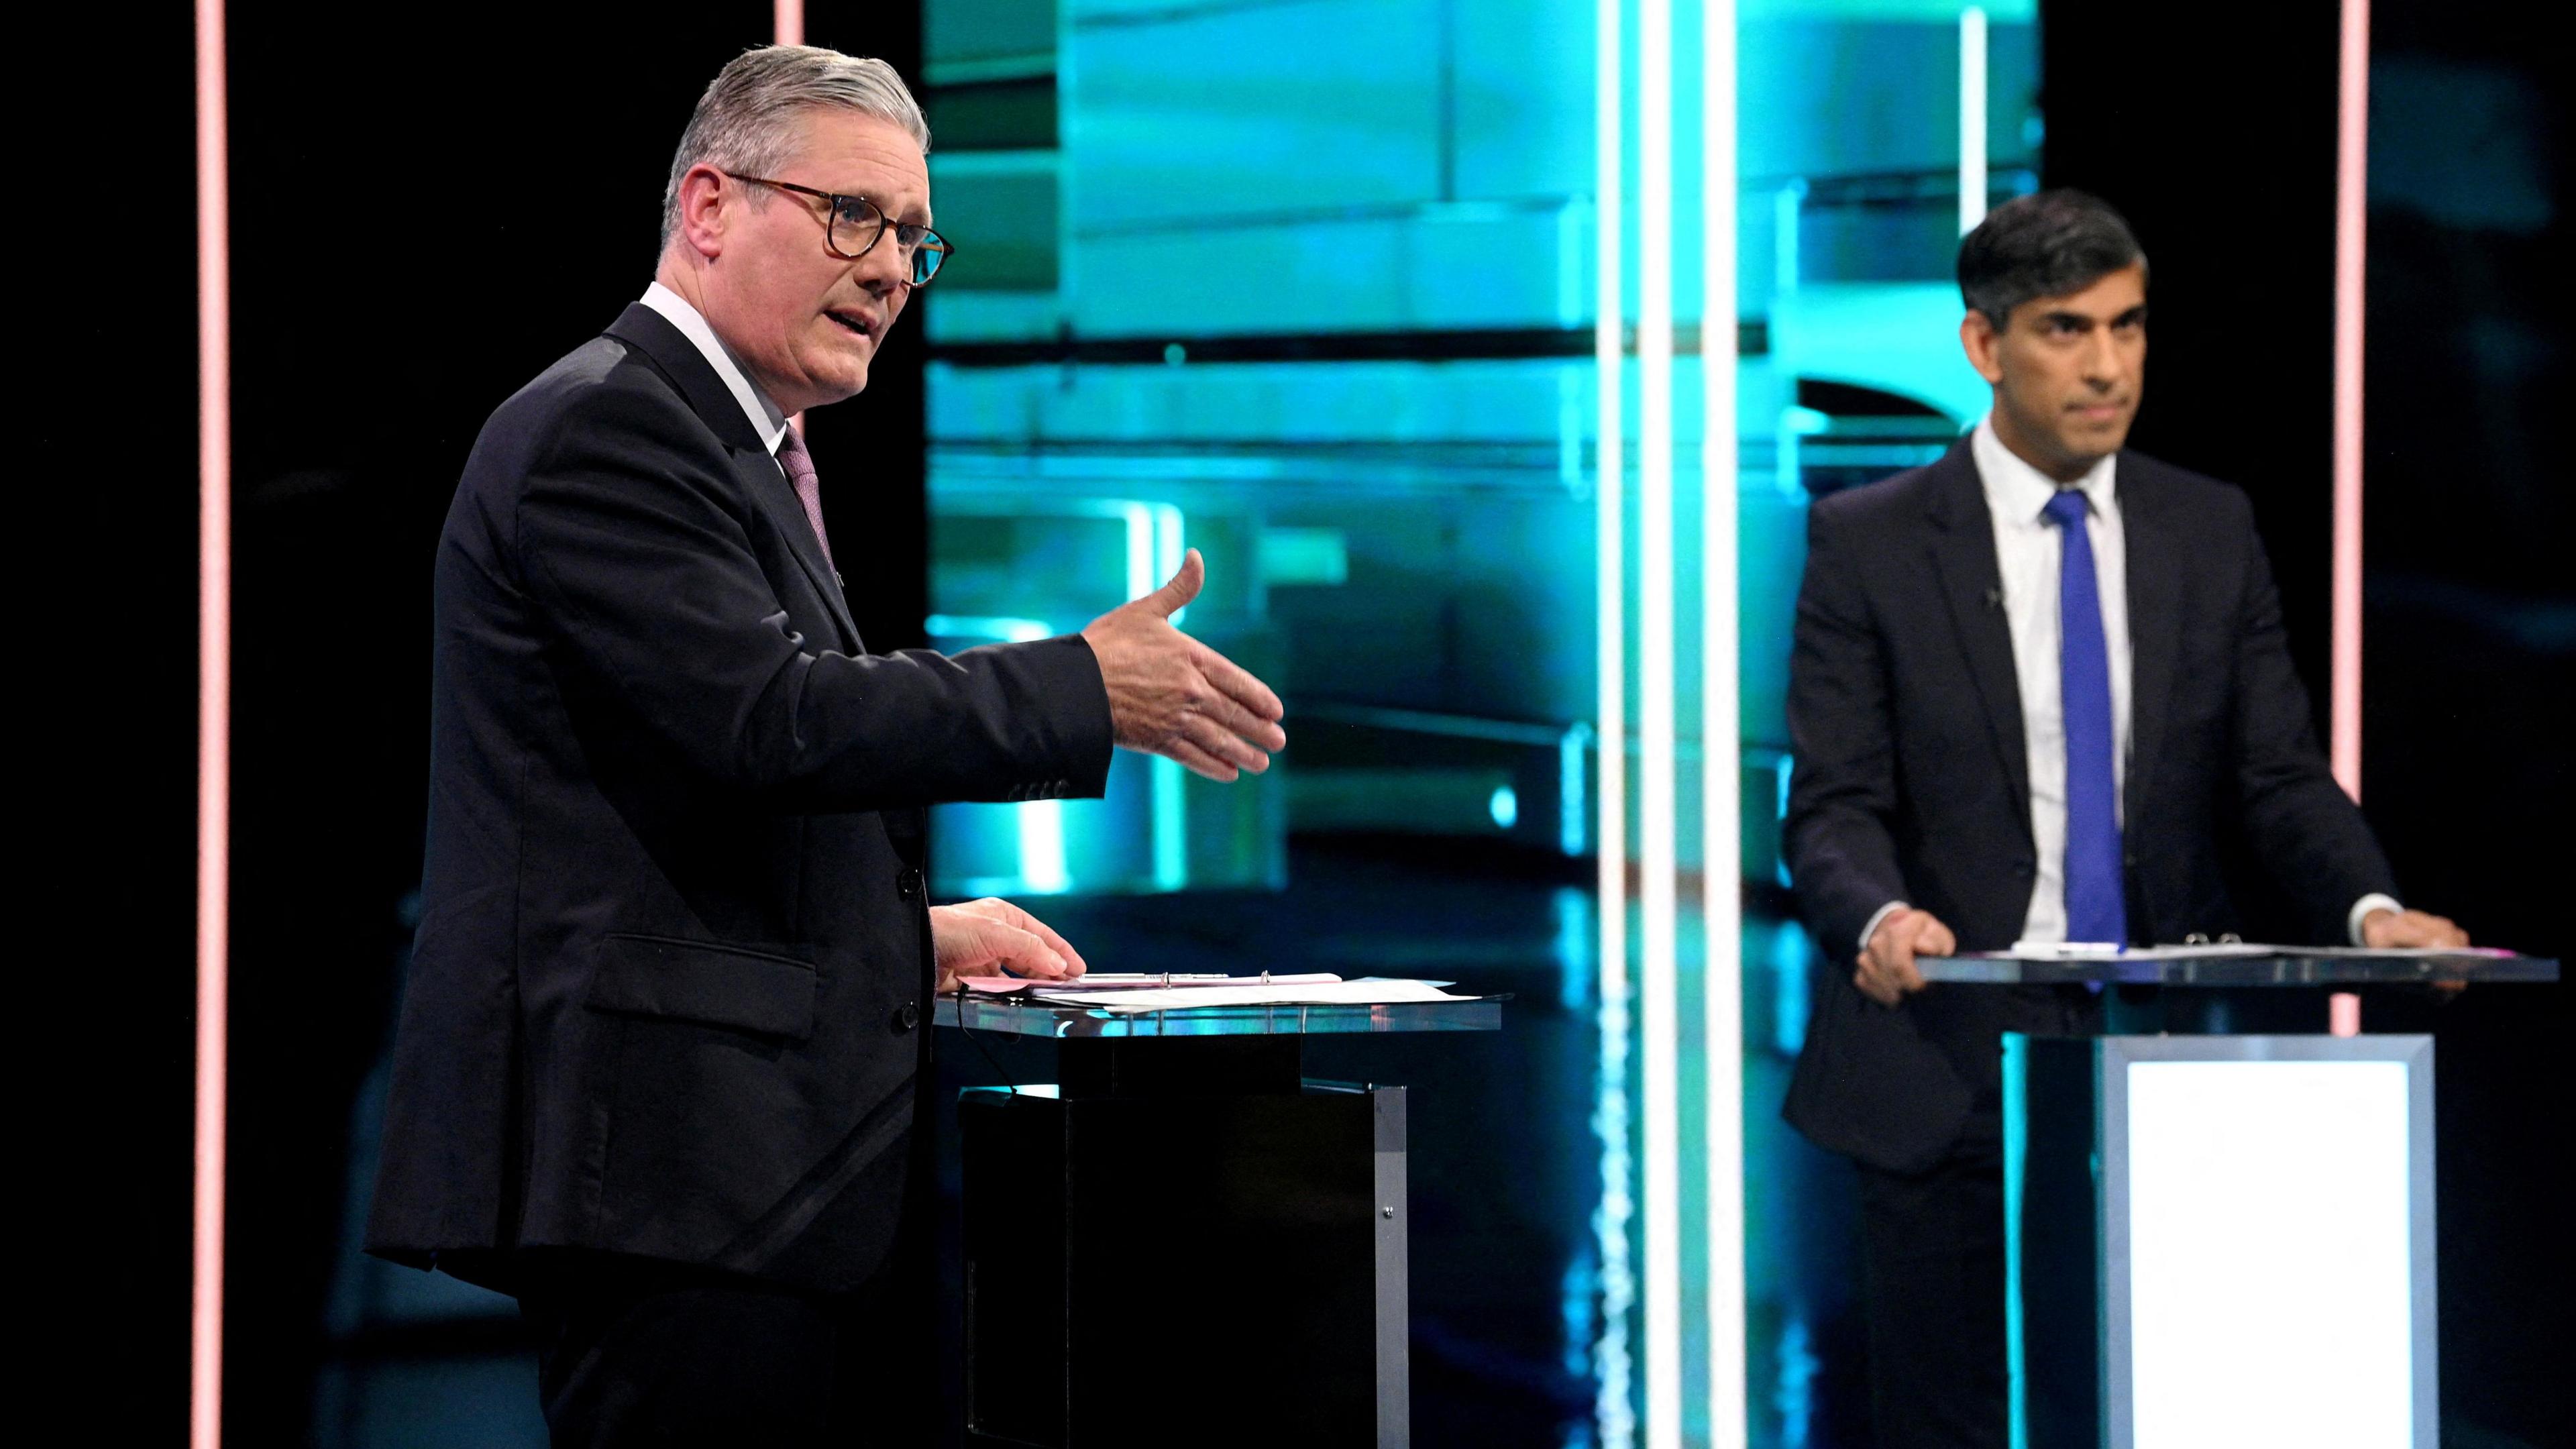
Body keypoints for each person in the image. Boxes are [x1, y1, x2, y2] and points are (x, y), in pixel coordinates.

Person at [364, 46, 1287, 1445]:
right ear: (710, 204)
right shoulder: (612, 429)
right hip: (670, 1177)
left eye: (914, 240)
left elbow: (668, 815)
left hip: (731, 1182)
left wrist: (903, 937)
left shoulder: (732, 446)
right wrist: (1081, 686)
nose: (889, 271)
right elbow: (773, 723)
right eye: (854, 216)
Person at [1778, 189, 2466, 1448]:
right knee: (1958, 1418)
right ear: (1985, 346)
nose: (2108, 367)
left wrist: (2373, 910)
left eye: (2129, 326)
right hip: (1950, 1053)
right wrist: (1877, 913)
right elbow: (1831, 804)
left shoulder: (2206, 527)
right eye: (2065, 330)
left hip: (2165, 1059)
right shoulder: (1869, 543)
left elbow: (2277, 777)